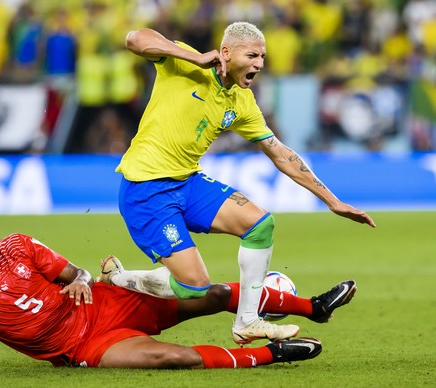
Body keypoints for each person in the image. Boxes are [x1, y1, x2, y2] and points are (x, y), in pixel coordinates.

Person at [112, 22, 375, 346]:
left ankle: (248, 322)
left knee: (260, 224)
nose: (259, 64)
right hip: (146, 188)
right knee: (194, 286)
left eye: (262, 57)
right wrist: (192, 58)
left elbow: (280, 153)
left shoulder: (242, 102)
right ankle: (120, 279)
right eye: (252, 55)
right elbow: (134, 39)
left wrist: (331, 200)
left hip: (187, 181)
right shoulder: (184, 62)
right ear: (225, 53)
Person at [0, 212, 360, 372]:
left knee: (203, 292)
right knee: (170, 358)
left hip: (108, 301)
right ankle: (272, 355)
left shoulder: (19, 245)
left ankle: (311, 307)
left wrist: (76, 277)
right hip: (83, 345)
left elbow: (71, 270)